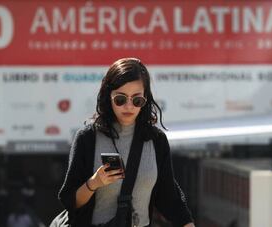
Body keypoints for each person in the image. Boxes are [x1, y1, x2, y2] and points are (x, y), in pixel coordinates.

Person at [57, 58, 195, 227]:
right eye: (121, 99)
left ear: (145, 100)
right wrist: (94, 183)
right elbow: (70, 201)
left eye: (137, 100)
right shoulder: (88, 138)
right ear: (109, 96)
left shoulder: (157, 140)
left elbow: (169, 198)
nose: (129, 106)